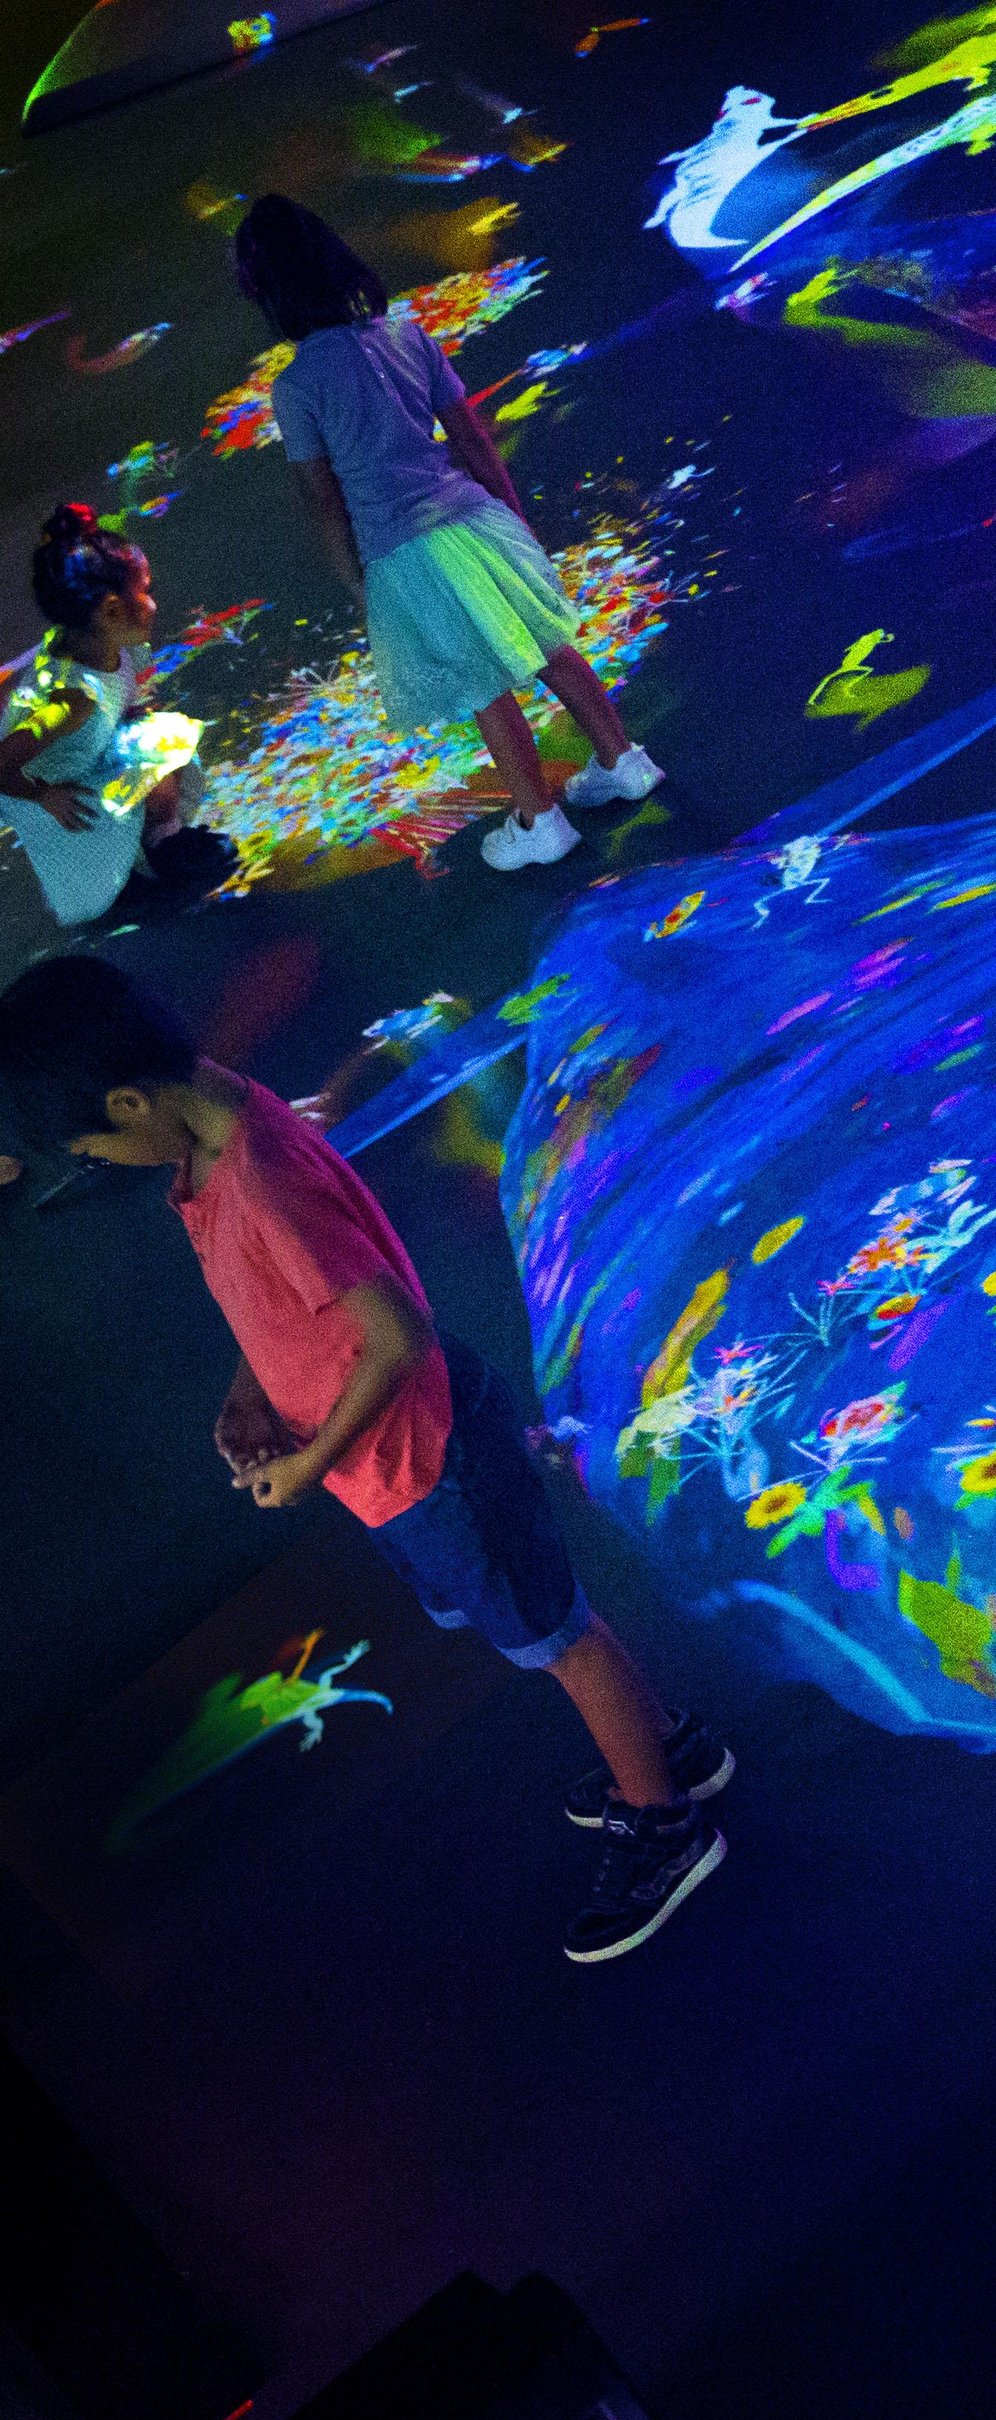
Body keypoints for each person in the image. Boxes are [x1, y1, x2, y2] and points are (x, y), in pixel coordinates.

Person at [0, 954, 733, 1961]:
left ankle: (664, 1821)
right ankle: (664, 1749)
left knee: (557, 1637)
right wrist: (253, 1387)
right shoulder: (212, 1130)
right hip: (398, 1462)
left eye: (91, 1148)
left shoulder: (260, 1180)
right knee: (543, 1618)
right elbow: (279, 1293)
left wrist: (306, 1468)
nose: (101, 1164)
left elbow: (397, 1337)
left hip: (428, 1458)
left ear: (129, 1103)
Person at [229, 194, 661, 875]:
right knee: (548, 646)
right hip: (475, 519)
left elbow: (321, 498)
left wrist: (356, 579)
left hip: (405, 552)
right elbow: (474, 440)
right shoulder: (409, 337)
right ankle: (624, 761)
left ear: (268, 293)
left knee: (480, 682)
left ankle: (539, 820)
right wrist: (511, 517)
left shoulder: (298, 386)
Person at [3, 507, 236, 942]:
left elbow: (121, 699)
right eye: (146, 591)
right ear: (111, 611)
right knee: (99, 864)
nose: (154, 603)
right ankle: (117, 892)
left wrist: (129, 717)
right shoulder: (73, 702)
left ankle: (164, 844)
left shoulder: (109, 646)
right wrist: (43, 797)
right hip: (63, 797)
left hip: (90, 759)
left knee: (163, 739)